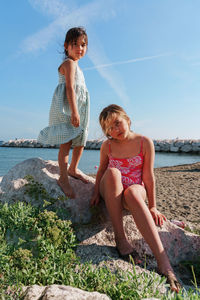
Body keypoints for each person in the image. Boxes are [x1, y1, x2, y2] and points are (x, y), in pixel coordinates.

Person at [91, 104, 181, 292]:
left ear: (128, 120)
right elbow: (101, 170)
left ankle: (164, 264)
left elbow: (148, 177)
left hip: (132, 188)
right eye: (109, 128)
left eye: (117, 124)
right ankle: (120, 239)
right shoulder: (107, 146)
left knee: (132, 192)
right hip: (110, 187)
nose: (115, 130)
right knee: (114, 172)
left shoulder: (144, 142)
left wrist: (153, 206)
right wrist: (94, 192)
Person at [38, 27, 90, 198]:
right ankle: (63, 177)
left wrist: (80, 110)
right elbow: (69, 87)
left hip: (80, 107)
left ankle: (73, 168)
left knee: (81, 140)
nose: (79, 48)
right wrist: (74, 112)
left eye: (83, 45)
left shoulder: (79, 67)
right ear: (67, 46)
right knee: (66, 142)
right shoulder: (68, 63)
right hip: (68, 107)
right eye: (75, 44)